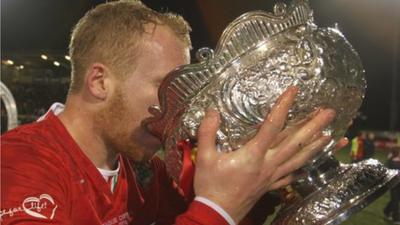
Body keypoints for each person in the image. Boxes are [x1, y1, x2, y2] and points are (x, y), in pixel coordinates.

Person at [0, 1, 341, 224]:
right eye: (166, 89)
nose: (180, 108)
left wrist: (261, 182)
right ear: (100, 82)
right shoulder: (19, 163)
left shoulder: (141, 169)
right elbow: (209, 216)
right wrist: (218, 208)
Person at [384, 147, 400, 223]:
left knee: (396, 200)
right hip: (394, 184)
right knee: (395, 201)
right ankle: (396, 218)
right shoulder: (392, 162)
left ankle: (386, 210)